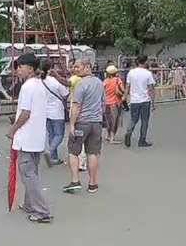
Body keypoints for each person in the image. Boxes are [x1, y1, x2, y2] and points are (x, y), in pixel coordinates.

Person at [8, 53, 53, 223]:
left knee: (28, 174)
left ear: (31, 69)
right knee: (32, 172)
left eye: (21, 67)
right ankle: (29, 204)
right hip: (36, 137)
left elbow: (25, 113)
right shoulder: (40, 85)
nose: (18, 70)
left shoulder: (27, 87)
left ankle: (42, 211)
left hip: (26, 138)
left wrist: (12, 130)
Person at [63, 57, 105, 194]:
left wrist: (72, 124)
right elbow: (103, 103)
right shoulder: (99, 83)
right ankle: (92, 183)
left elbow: (76, 106)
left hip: (82, 122)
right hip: (96, 122)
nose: (75, 69)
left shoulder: (80, 85)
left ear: (87, 67)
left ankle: (75, 180)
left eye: (78, 67)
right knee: (92, 153)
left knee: (73, 151)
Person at [41, 62, 70, 166]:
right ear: (51, 69)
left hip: (45, 111)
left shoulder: (40, 81)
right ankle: (50, 150)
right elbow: (65, 94)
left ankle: (54, 158)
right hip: (57, 111)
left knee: (51, 134)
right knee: (59, 135)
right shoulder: (54, 81)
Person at [124, 54, 156, 148]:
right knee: (144, 121)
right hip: (145, 100)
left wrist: (125, 97)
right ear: (145, 62)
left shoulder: (131, 73)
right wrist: (153, 102)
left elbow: (127, 86)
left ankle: (129, 132)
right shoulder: (148, 74)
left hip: (134, 100)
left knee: (133, 119)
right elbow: (151, 88)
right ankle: (142, 140)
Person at [102, 64, 126, 144]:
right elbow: (122, 89)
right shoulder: (117, 80)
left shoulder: (105, 81)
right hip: (115, 102)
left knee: (108, 120)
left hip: (106, 103)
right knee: (114, 120)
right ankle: (112, 138)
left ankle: (108, 135)